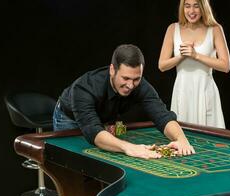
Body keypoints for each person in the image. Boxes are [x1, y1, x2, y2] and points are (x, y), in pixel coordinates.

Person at [53, 44, 195, 159]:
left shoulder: (141, 86)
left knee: (103, 160)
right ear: (112, 70)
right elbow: (93, 131)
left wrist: (181, 139)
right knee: (74, 163)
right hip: (68, 119)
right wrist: (130, 147)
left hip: (102, 118)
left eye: (136, 79)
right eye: (125, 78)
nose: (131, 85)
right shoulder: (85, 87)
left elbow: (162, 115)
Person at [158, 0, 230, 128]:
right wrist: (181, 56)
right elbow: (162, 66)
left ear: (203, 7)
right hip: (182, 91)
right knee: (183, 140)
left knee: (210, 139)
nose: (191, 11)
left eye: (196, 6)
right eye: (187, 6)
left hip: (205, 90)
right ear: (183, 8)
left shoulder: (215, 29)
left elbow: (225, 66)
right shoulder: (172, 29)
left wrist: (195, 55)